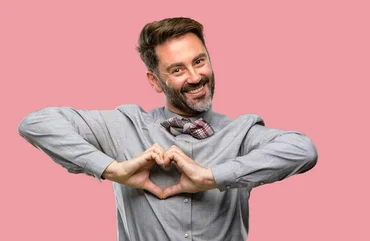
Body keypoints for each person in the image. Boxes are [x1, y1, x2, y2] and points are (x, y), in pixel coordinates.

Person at [18, 17, 317, 241]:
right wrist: (113, 169)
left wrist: (210, 177)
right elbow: (36, 123)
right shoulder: (124, 125)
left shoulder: (242, 132)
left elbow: (303, 150)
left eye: (199, 61)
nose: (195, 76)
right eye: (177, 69)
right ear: (153, 80)